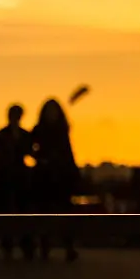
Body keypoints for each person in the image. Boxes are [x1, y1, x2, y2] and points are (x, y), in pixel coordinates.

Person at [30, 98, 81, 262]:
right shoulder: (39, 130)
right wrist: (41, 159)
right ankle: (45, 246)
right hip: (44, 177)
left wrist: (73, 173)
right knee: (44, 212)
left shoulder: (62, 130)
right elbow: (28, 147)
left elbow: (68, 152)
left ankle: (69, 246)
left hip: (61, 176)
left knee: (65, 213)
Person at [0, 104, 34, 260]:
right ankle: (8, 245)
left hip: (20, 177)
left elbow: (32, 152)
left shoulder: (23, 135)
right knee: (6, 212)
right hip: (5, 176)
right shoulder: (2, 135)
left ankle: (25, 245)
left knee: (23, 212)